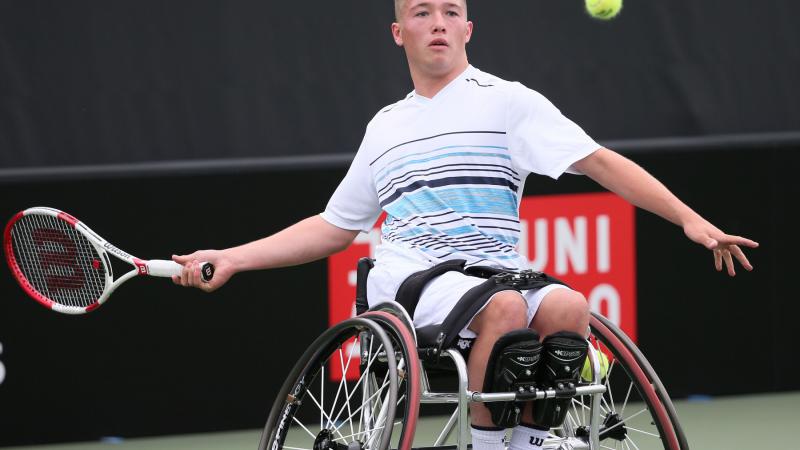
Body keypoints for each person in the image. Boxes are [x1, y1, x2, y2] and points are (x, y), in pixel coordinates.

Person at [173, 0, 758, 448]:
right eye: (421, 12)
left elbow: (599, 162)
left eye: (451, 11)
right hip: (407, 277)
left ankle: (528, 441)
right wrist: (234, 257)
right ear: (399, 32)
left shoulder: (510, 102)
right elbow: (334, 227)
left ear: (467, 30)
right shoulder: (385, 127)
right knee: (503, 309)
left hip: (496, 270)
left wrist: (689, 219)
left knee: (568, 309)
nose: (438, 22)